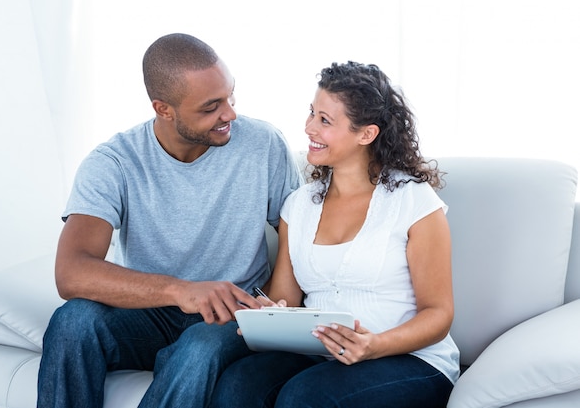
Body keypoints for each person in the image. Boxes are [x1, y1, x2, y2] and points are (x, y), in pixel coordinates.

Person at [36, 33, 301, 408]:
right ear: (163, 109)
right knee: (72, 321)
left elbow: (297, 235)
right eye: (211, 107)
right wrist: (180, 291)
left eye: (230, 96)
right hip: (146, 313)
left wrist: (275, 306)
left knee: (199, 347)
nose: (229, 114)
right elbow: (71, 273)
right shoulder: (113, 162)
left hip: (228, 317)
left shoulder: (264, 144)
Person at [210, 61, 460, 408]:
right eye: (312, 113)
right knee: (239, 384)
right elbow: (285, 297)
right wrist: (265, 314)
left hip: (409, 359)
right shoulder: (298, 206)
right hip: (320, 353)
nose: (309, 127)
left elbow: (438, 314)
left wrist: (375, 345)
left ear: (366, 134)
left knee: (304, 398)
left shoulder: (413, 202)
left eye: (324, 120)